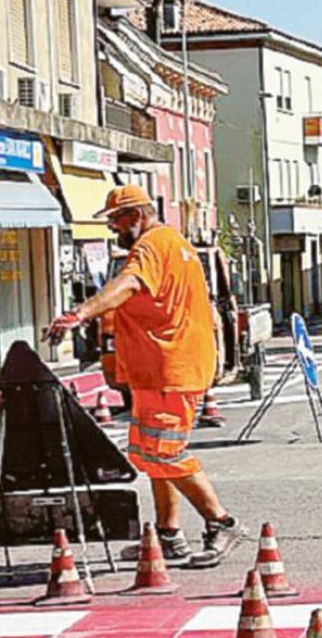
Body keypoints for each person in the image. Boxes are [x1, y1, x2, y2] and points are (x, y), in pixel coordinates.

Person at [48, 185, 246, 568]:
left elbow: (129, 283)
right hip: (163, 369)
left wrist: (80, 314)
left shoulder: (150, 247)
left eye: (116, 220)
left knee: (163, 453)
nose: (113, 229)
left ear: (135, 216)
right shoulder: (174, 244)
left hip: (170, 369)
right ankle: (168, 535)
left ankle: (222, 523)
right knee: (152, 453)